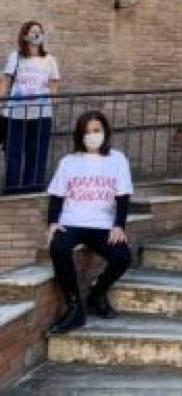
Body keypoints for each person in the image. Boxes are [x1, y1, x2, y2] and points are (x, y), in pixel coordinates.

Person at [47, 110, 132, 334]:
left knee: (122, 257)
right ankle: (74, 307)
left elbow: (123, 195)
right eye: (87, 132)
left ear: (105, 132)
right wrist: (53, 222)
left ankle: (97, 294)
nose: (92, 135)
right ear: (80, 135)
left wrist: (119, 225)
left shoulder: (117, 159)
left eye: (96, 130)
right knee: (58, 248)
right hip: (72, 221)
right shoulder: (69, 162)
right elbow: (57, 195)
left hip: (102, 223)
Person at [1, 21, 60, 194]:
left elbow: (54, 83)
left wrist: (53, 100)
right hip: (15, 113)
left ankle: (33, 190)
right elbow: (6, 80)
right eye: (33, 32)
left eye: (39, 32)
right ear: (25, 35)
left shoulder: (49, 59)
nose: (37, 35)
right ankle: (12, 191)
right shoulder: (16, 56)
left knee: (37, 153)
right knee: (13, 153)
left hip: (42, 113)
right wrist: (1, 100)